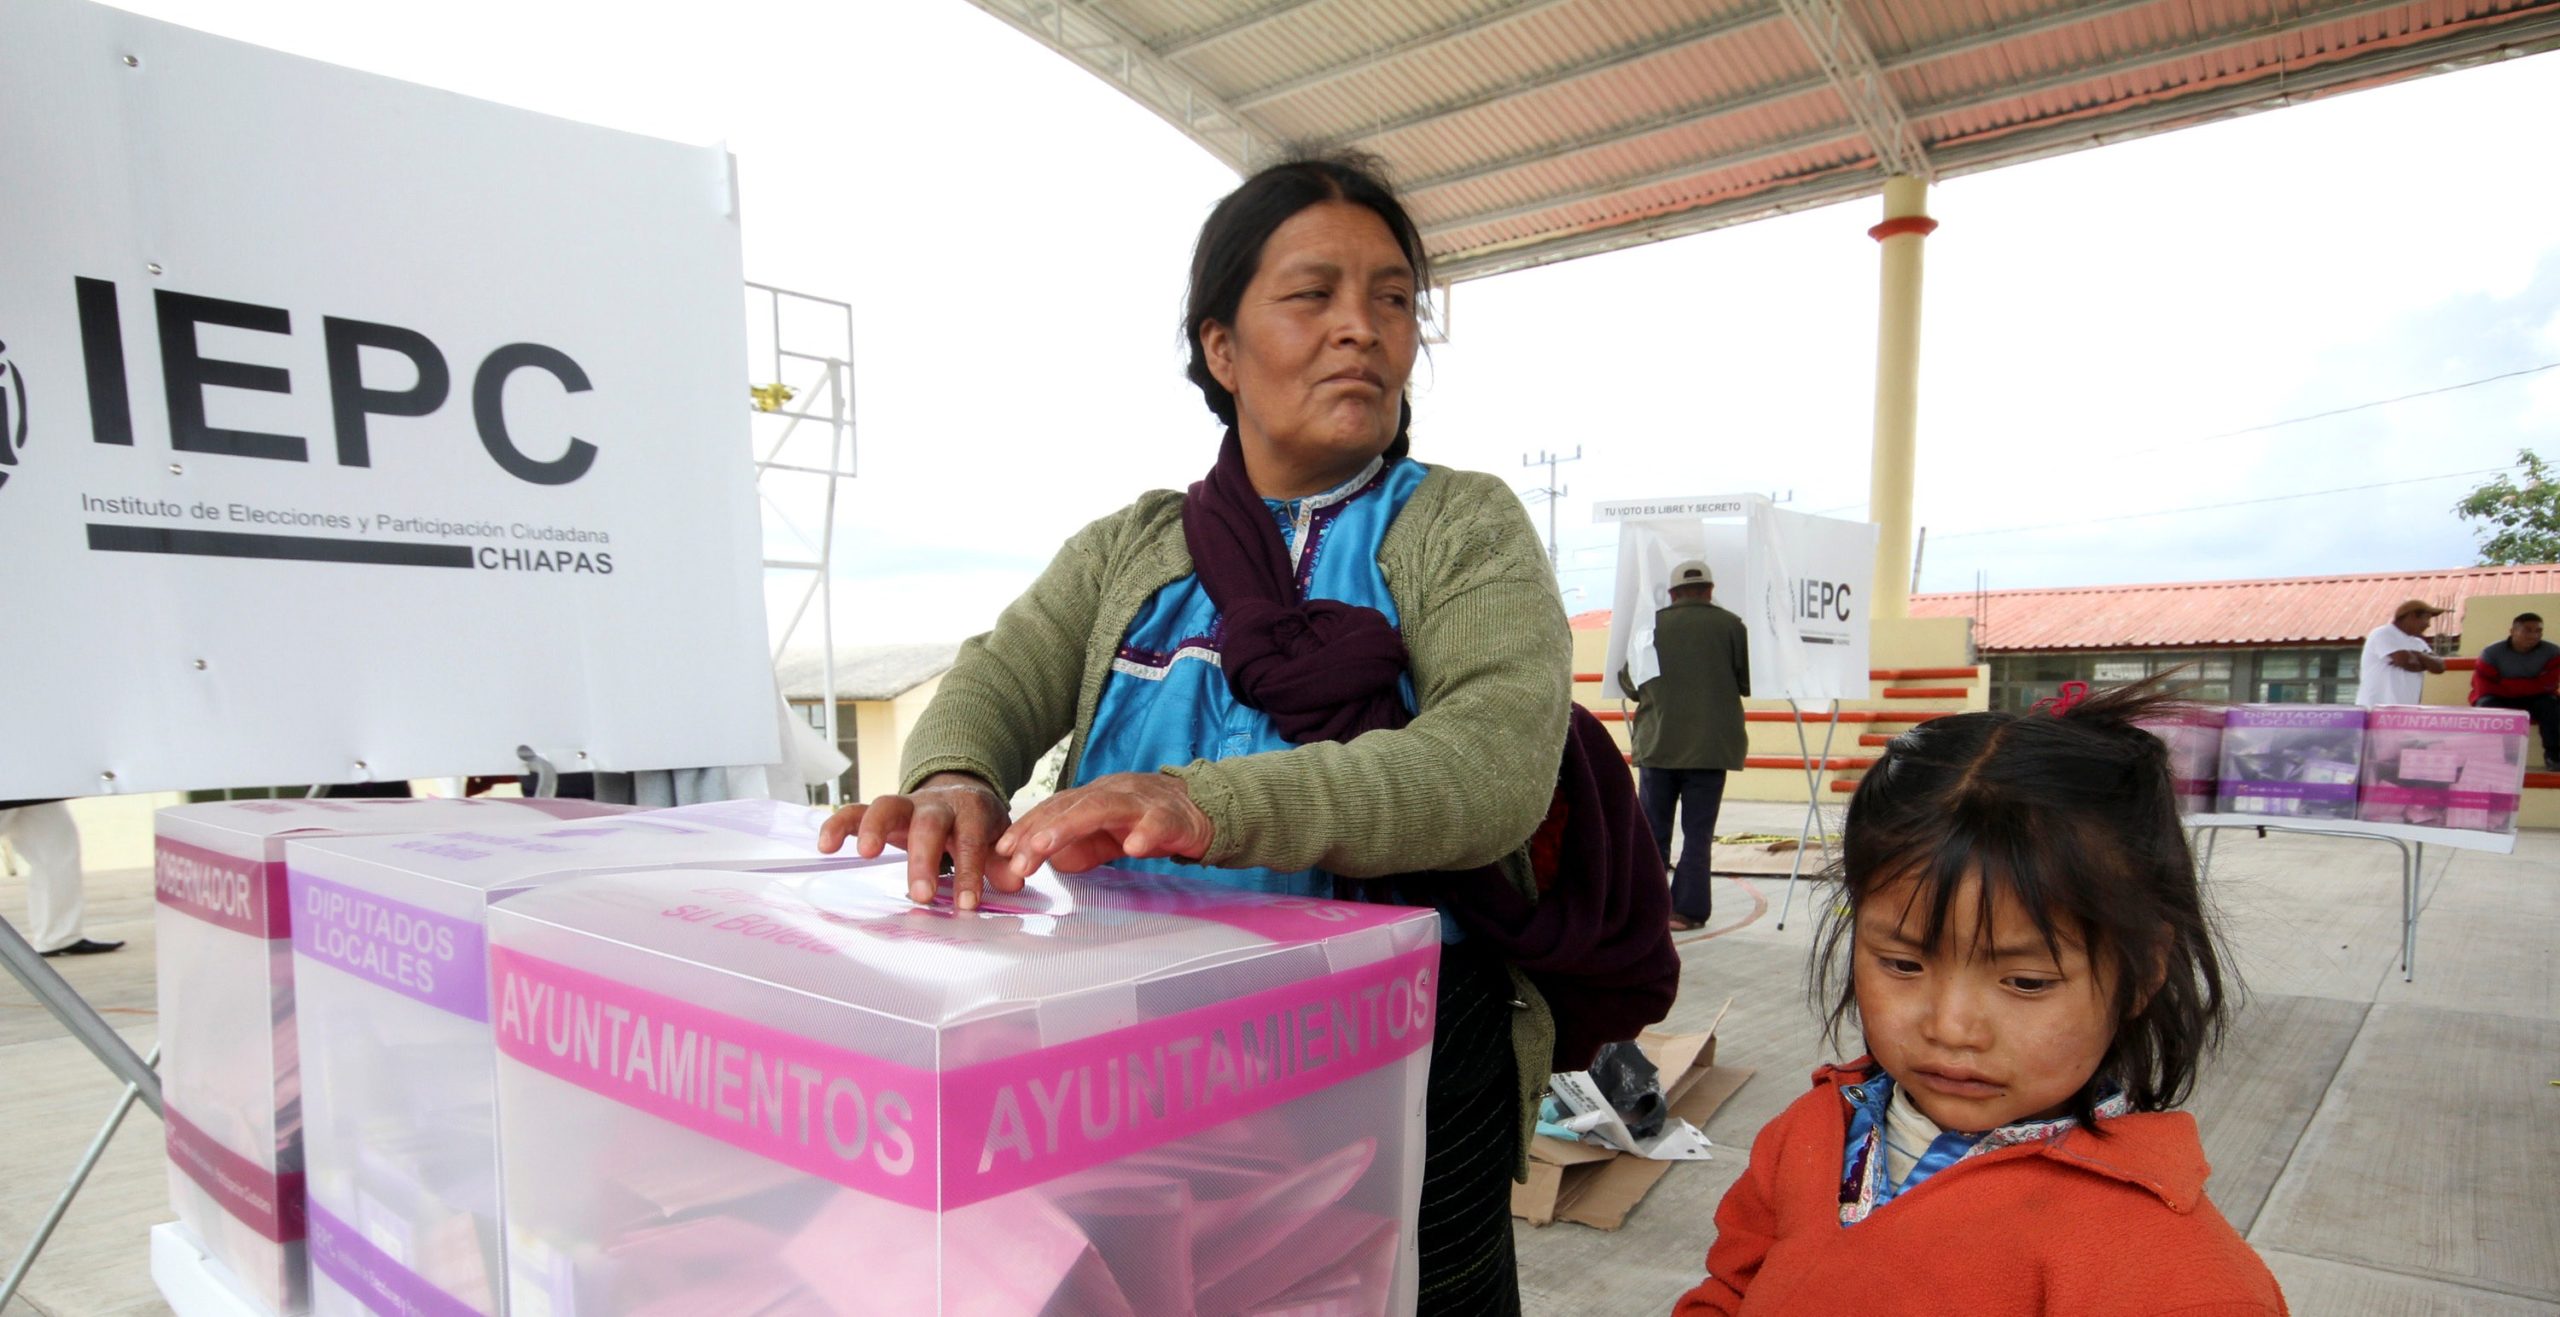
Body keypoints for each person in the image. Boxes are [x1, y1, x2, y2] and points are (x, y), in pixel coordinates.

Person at [817, 153, 1579, 1315]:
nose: (1360, 332)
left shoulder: (1456, 526)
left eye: (1390, 299)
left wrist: (1197, 803)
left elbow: (1489, 767)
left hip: (1400, 1050)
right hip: (1131, 1044)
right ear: (1221, 348)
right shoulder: (1136, 544)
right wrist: (954, 777)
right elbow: (999, 677)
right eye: (1313, 295)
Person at [1672, 681, 2288, 1316]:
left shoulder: (2168, 1272)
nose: (1952, 1027)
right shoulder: (1807, 1133)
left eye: (2026, 982)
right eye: (1902, 963)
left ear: (2146, 971)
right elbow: (1733, 1287)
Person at [1617, 559, 1748, 931]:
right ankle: (1687, 911)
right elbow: (1745, 681)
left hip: (1659, 744)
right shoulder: (1732, 627)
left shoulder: (1650, 627)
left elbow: (1630, 683)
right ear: (1709, 591)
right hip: (1710, 749)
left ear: (1673, 595)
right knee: (1698, 834)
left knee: (1652, 833)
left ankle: (1649, 910)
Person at [0, 799, 123, 957]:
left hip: (34, 782)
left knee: (58, 852)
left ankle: (59, 937)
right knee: (57, 853)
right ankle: (57, 936)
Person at [2470, 611, 2560, 770]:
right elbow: (2484, 685)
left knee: (2552, 706)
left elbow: (2549, 684)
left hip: (2534, 698)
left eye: (2538, 631)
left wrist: (2508, 684)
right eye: (2527, 630)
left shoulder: (2552, 652)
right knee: (2487, 706)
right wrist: (2530, 685)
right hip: (2499, 698)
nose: (2533, 635)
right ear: (2512, 631)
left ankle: (2554, 757)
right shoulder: (2491, 653)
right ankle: (2498, 760)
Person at [2355, 599, 2447, 706]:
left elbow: (2440, 667)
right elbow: (2406, 662)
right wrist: (2425, 662)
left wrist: (2418, 655)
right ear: (2412, 616)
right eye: (2426, 618)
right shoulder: (2383, 633)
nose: (2428, 625)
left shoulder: (2418, 642)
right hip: (2376, 708)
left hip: (2406, 711)